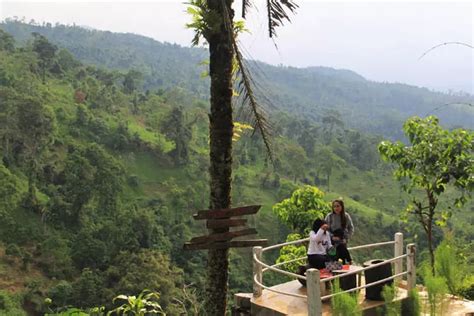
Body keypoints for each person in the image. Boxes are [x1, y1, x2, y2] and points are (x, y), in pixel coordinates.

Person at [325, 199, 354, 264]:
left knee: (342, 259)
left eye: (338, 206)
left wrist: (346, 238)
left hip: (342, 241)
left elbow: (351, 228)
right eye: (334, 206)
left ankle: (346, 266)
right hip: (332, 243)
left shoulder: (346, 216)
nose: (336, 208)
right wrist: (332, 237)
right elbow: (325, 230)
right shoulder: (329, 216)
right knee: (333, 259)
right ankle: (350, 261)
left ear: (342, 207)